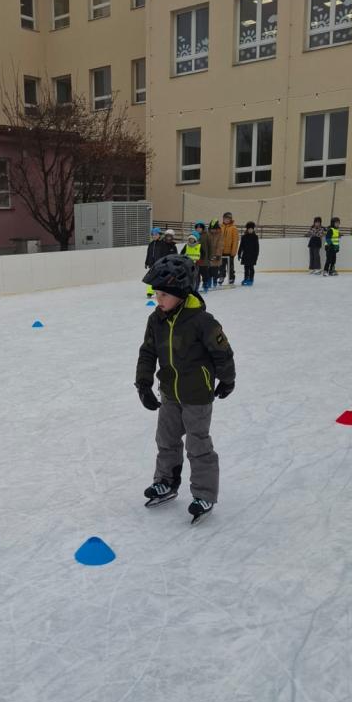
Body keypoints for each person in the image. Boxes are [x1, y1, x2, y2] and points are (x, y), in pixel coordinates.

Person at [135, 254, 236, 524]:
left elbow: (223, 352)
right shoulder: (156, 320)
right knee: (166, 440)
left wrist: (227, 379)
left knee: (197, 445)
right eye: (156, 293)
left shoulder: (203, 321)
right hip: (169, 392)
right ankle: (165, 481)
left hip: (197, 395)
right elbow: (147, 353)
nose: (158, 299)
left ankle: (204, 494)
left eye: (163, 294)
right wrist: (143, 383)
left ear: (181, 293)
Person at [201, 219, 223, 292]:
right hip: (209, 254)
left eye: (214, 229)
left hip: (216, 255)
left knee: (215, 270)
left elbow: (220, 245)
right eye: (211, 229)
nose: (212, 230)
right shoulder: (208, 234)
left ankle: (215, 281)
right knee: (208, 270)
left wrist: (218, 254)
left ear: (217, 228)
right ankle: (209, 281)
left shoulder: (220, 234)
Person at [218, 211, 239, 286]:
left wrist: (233, 251)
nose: (226, 220)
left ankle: (231, 278)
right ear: (223, 219)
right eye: (225, 218)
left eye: (228, 219)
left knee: (230, 266)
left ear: (230, 219)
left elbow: (235, 241)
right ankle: (221, 276)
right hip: (221, 251)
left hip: (229, 252)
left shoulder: (233, 228)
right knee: (221, 266)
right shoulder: (220, 227)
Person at [237, 221, 260, 285]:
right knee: (246, 268)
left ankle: (251, 279)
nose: (250, 230)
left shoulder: (255, 237)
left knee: (251, 268)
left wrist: (256, 256)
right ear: (247, 229)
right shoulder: (244, 237)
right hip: (245, 255)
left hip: (252, 255)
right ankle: (246, 278)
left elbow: (257, 247)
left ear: (253, 229)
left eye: (251, 229)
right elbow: (241, 246)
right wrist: (239, 254)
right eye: (249, 229)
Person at [144, 227, 164, 297]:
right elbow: (148, 254)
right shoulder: (151, 244)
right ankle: (150, 292)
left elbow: (164, 254)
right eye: (152, 234)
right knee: (151, 278)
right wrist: (146, 262)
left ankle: (160, 292)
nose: (154, 236)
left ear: (159, 235)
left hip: (160, 264)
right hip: (152, 264)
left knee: (160, 278)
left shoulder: (162, 244)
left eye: (156, 234)